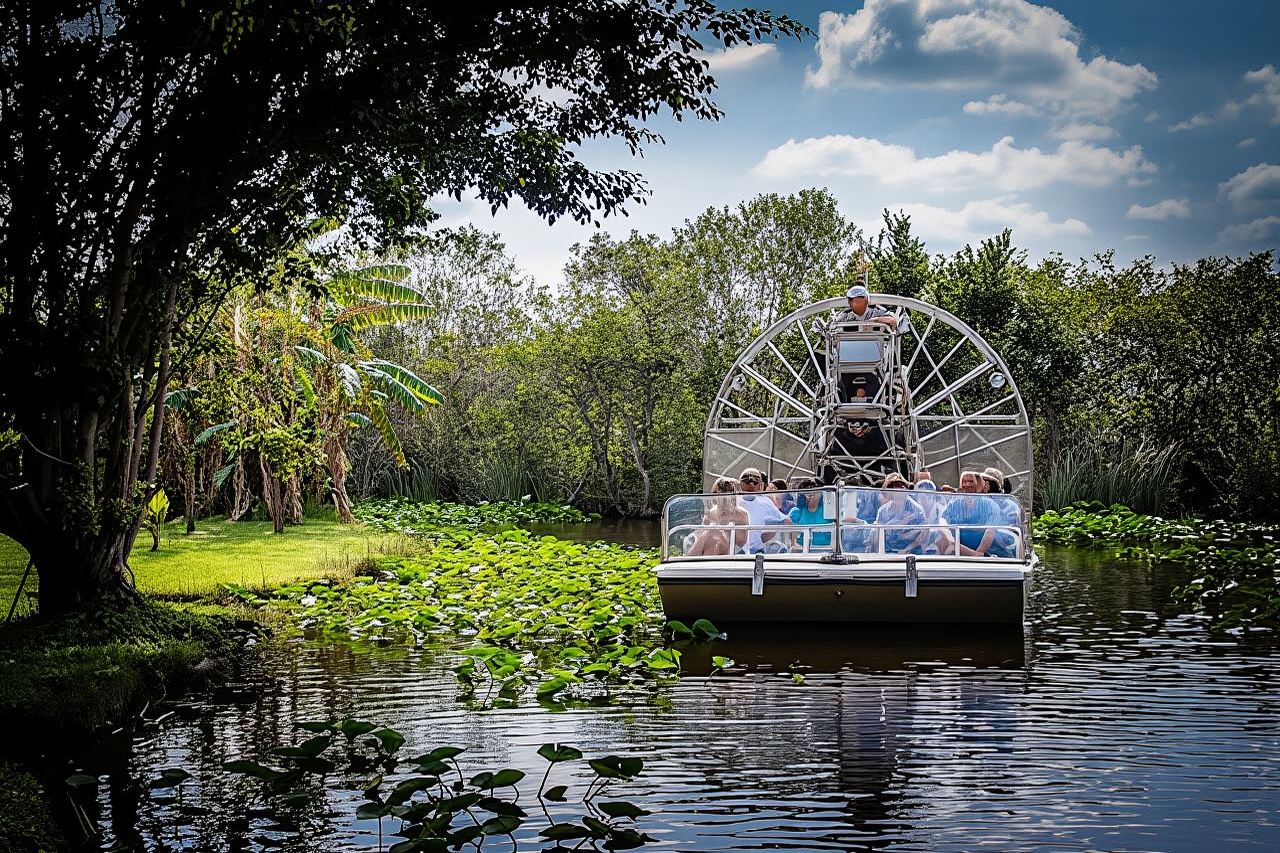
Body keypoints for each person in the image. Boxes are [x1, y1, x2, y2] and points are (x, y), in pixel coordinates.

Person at [942, 471, 1016, 558]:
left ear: (979, 485)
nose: (967, 485)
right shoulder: (954, 502)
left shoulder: (991, 504)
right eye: (964, 482)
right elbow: (943, 520)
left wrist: (979, 553)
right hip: (958, 553)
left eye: (970, 482)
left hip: (989, 553)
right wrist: (949, 538)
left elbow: (991, 531)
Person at [687, 477, 749, 556]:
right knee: (709, 538)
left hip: (735, 554)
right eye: (719, 493)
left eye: (729, 492)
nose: (724, 496)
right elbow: (702, 539)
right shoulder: (710, 514)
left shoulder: (741, 514)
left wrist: (728, 523)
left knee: (715, 541)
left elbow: (741, 543)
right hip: (714, 550)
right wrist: (710, 531)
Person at [737, 467, 791, 554]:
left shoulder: (733, 501)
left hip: (738, 552)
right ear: (761, 485)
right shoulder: (765, 501)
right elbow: (787, 521)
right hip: (747, 551)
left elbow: (786, 521)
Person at [873, 473, 927, 554]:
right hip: (888, 552)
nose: (898, 489)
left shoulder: (917, 509)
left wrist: (905, 550)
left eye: (901, 486)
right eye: (894, 486)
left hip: (912, 552)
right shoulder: (883, 511)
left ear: (906, 489)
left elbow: (922, 536)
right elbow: (878, 536)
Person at [787, 478, 832, 552]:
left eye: (812, 494)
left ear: (820, 494)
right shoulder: (796, 512)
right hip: (802, 552)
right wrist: (795, 546)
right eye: (806, 494)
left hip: (825, 551)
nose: (808, 497)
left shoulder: (829, 511)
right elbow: (792, 537)